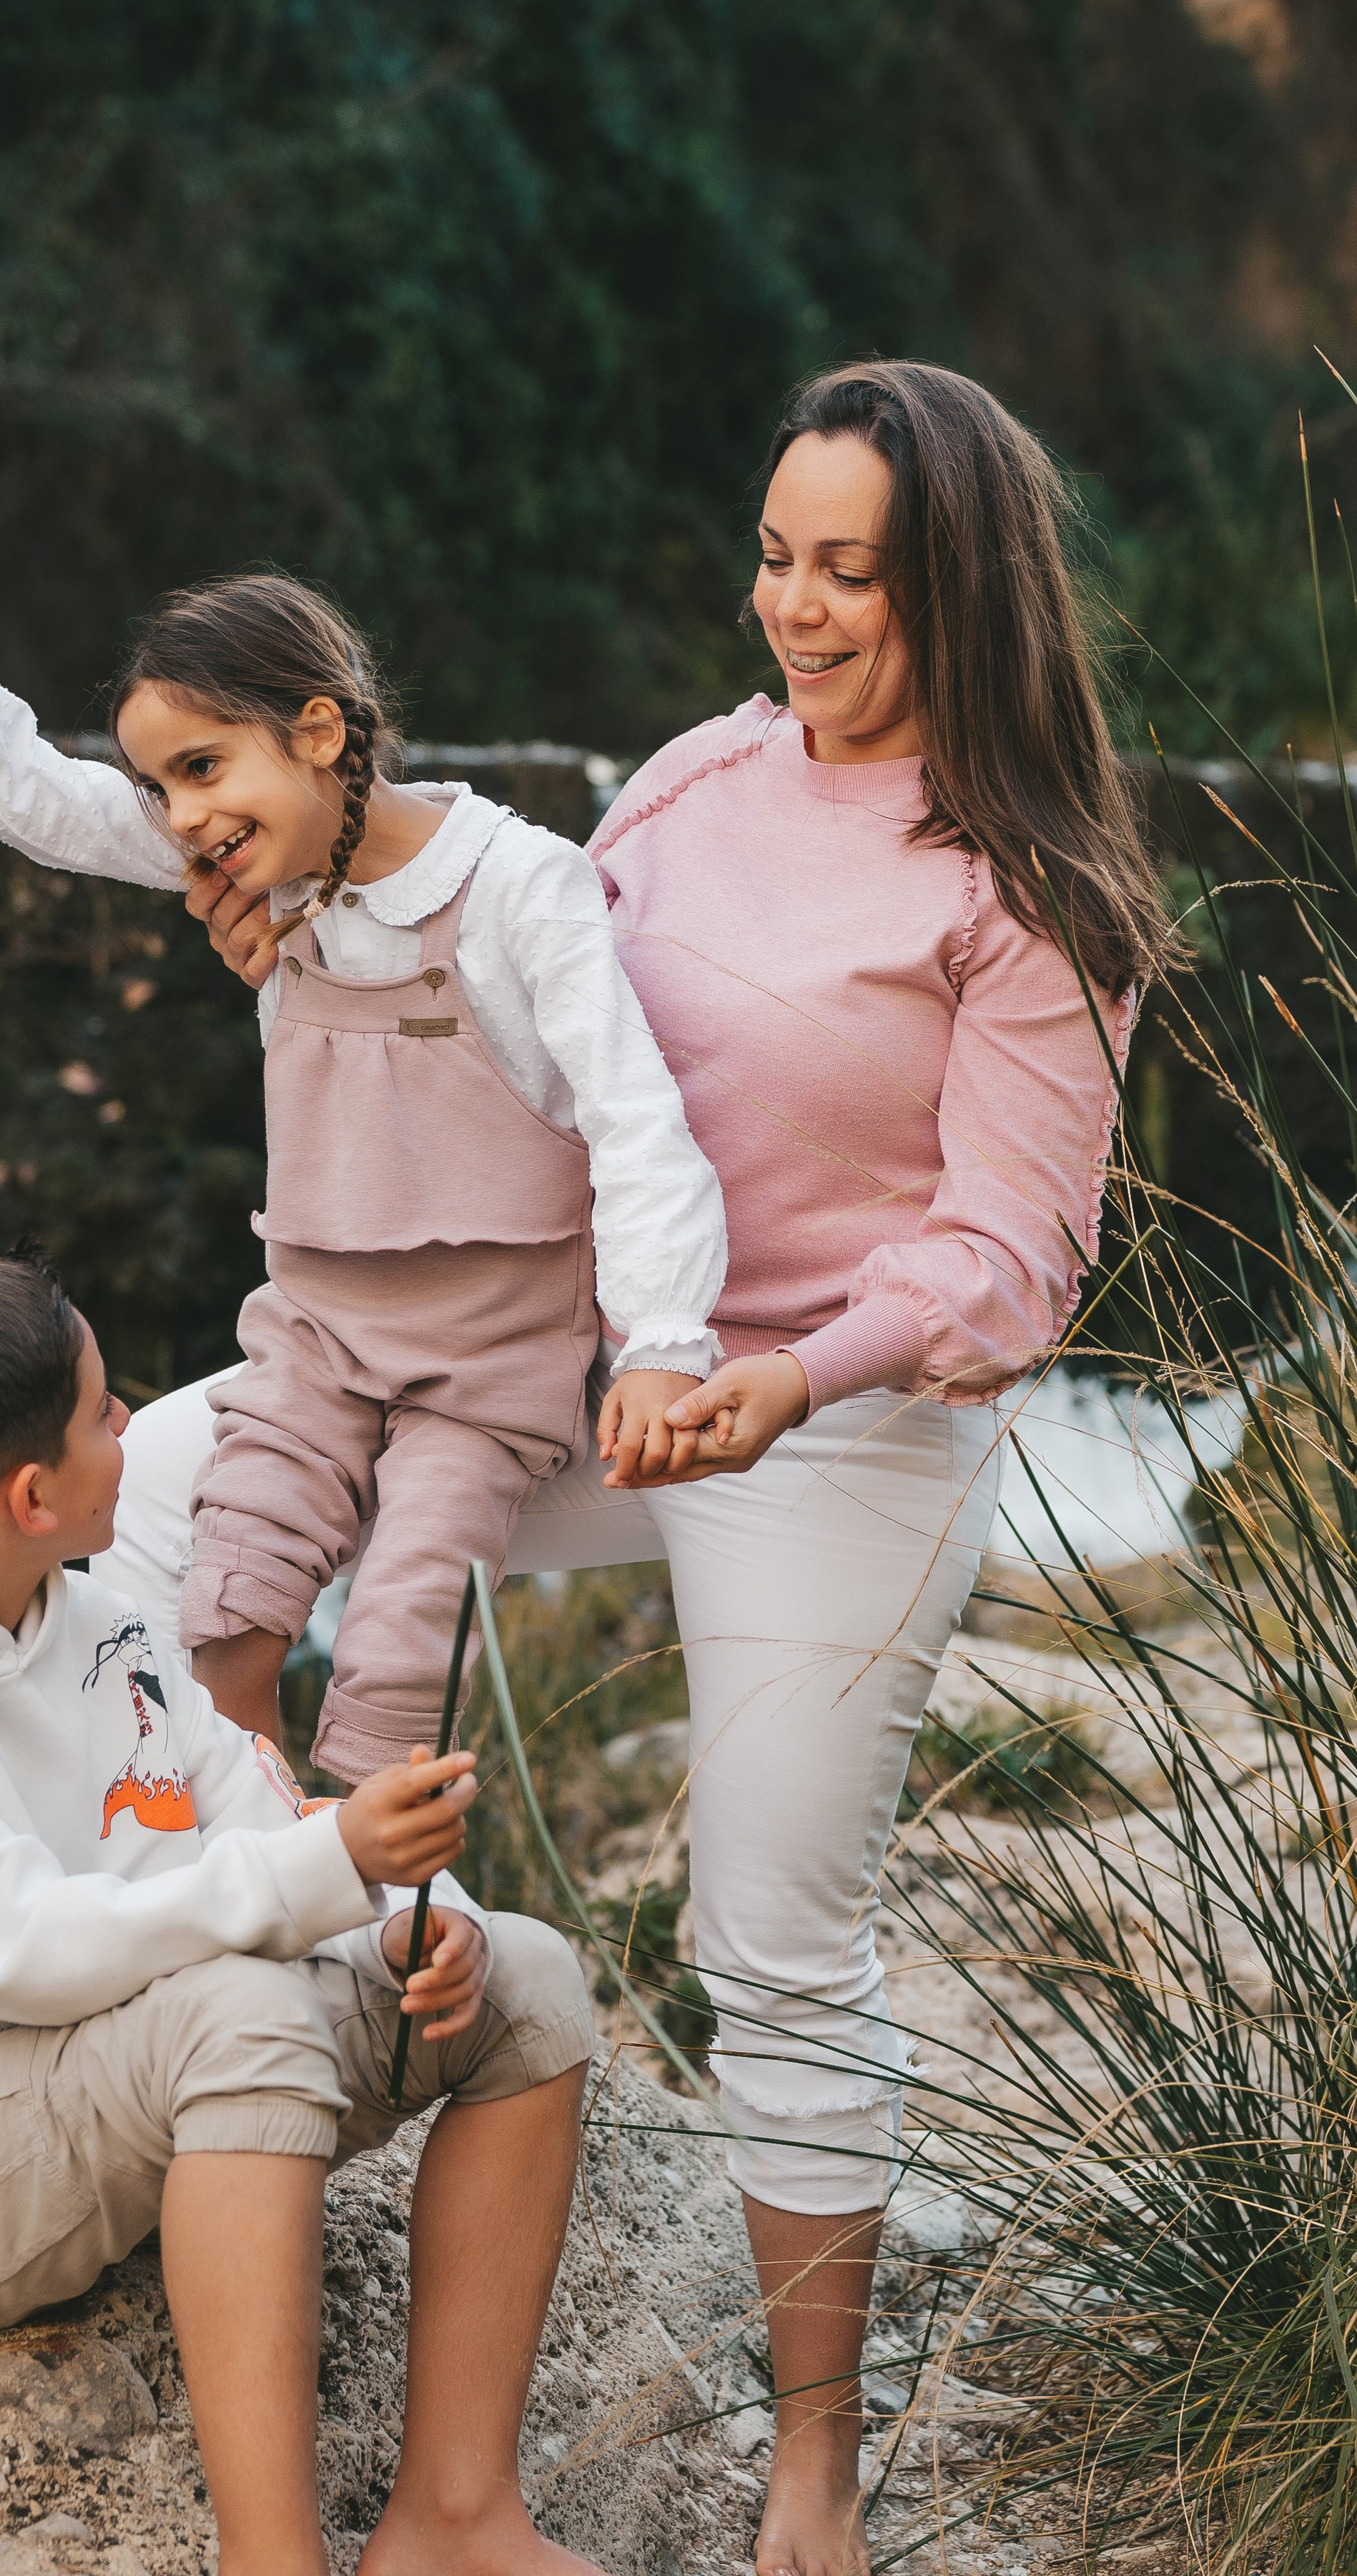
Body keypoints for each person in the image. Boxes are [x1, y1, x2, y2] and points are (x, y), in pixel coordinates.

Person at [177, 361, 1171, 2576]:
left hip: (851, 1421)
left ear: (964, 593)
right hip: (590, 1355)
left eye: (851, 575)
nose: (792, 609)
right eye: (776, 555)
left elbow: (1015, 1254)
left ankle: (813, 2473)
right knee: (171, 1500)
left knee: (773, 1937)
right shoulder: (700, 776)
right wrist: (307, 939)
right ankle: (209, 1965)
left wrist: (791, 1384)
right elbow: (536, 1026)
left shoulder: (1031, 889)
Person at [0, 471, 728, 1785]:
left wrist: (666, 1350)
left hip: (490, 1362)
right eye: (158, 785)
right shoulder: (267, 869)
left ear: (318, 732)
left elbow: (640, 1125)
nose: (182, 819)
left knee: (407, 1652)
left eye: (201, 770)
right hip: (313, 1337)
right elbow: (39, 802)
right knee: (227, 1607)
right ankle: (256, 1885)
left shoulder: (521, 884)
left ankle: (393, 1920)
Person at [0, 1251, 600, 2576]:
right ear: (30, 1493)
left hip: (88, 2090)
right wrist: (322, 1871)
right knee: (229, 2011)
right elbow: (31, 1950)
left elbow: (241, 1801)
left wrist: (408, 1915)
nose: (136, 1426)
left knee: (526, 1981)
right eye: (103, 1409)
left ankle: (455, 2520)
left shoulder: (90, 1609)